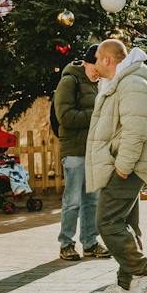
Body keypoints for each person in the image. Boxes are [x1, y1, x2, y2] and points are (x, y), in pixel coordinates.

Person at [88, 39, 147, 293]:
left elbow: (135, 130)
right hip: (118, 165)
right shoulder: (118, 83)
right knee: (124, 223)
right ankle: (127, 282)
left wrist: (123, 166)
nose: (95, 63)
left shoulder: (131, 84)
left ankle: (142, 273)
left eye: (97, 57)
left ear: (108, 59)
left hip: (125, 168)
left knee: (107, 222)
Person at [52, 46, 103, 260]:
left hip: (92, 150)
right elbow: (65, 116)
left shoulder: (96, 84)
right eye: (96, 67)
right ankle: (66, 243)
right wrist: (96, 115)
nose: (98, 72)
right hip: (74, 149)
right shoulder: (69, 81)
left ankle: (90, 242)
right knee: (72, 200)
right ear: (87, 62)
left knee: (92, 200)